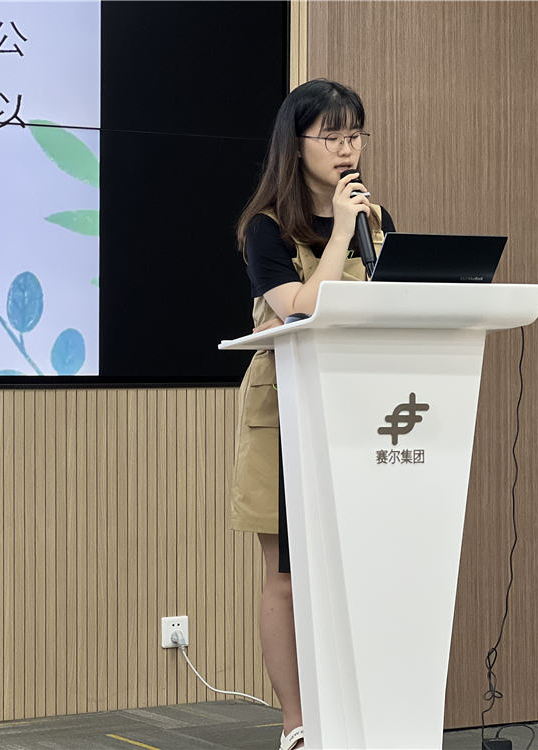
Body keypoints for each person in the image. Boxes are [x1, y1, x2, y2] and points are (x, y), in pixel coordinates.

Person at [231, 79, 396, 750]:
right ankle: (295, 721)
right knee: (287, 574)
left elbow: (390, 305)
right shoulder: (265, 228)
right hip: (287, 414)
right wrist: (341, 235)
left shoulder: (376, 221)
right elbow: (300, 305)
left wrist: (361, 229)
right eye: (332, 136)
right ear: (296, 145)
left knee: (355, 567)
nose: (347, 148)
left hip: (361, 410)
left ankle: (357, 710)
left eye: (354, 134)